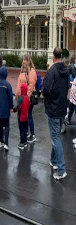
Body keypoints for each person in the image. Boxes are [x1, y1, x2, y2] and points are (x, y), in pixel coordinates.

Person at [42, 47, 69, 180]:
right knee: (56, 135)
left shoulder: (52, 70)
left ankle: (61, 169)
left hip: (53, 108)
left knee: (55, 138)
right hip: (62, 107)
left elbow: (45, 88)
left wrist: (44, 93)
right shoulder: (65, 69)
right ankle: (54, 161)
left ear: (54, 56)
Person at [16, 53, 37, 143]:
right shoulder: (23, 70)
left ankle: (32, 134)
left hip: (27, 98)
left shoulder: (31, 71)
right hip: (21, 98)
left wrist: (27, 97)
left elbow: (31, 85)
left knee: (28, 115)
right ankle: (27, 132)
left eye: (25, 60)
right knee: (23, 116)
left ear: (28, 61)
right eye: (23, 60)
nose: (23, 61)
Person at [0, 66, 13, 151]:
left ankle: (0, 141)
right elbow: (10, 97)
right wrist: (11, 107)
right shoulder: (7, 85)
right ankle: (6, 143)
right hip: (6, 108)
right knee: (7, 126)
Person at [15, 83, 30, 150]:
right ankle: (25, 142)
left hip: (21, 117)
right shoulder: (27, 98)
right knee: (25, 129)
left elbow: (18, 107)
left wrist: (14, 109)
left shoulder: (21, 98)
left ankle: (22, 142)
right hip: (26, 116)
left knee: (21, 130)